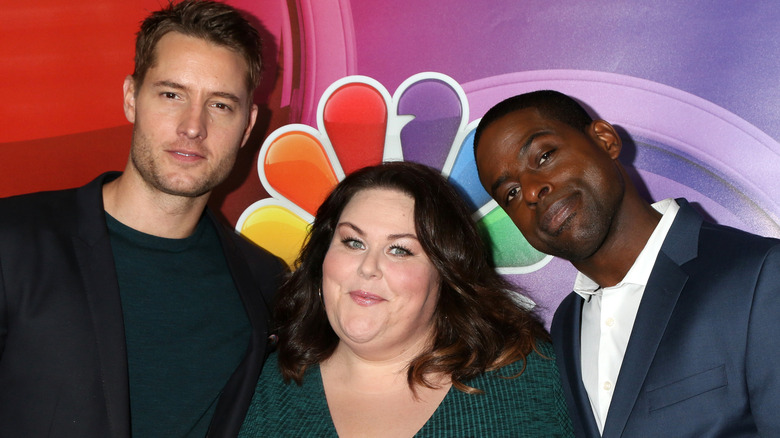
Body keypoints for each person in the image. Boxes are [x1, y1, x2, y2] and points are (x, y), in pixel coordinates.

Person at [0, 1, 285, 436]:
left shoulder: (264, 282)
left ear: (248, 126)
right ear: (131, 98)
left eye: (221, 105)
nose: (193, 126)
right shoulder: (13, 240)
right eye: (172, 94)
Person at [473, 89, 780, 437]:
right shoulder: (565, 324)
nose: (530, 191)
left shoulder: (761, 276)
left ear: (605, 141)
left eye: (544, 156)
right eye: (510, 193)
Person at [238, 161, 573, 437]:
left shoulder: (527, 384)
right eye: (353, 242)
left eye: (400, 250)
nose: (368, 267)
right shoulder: (257, 389)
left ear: (446, 274)